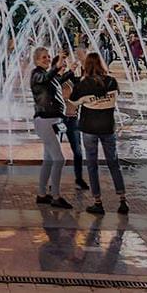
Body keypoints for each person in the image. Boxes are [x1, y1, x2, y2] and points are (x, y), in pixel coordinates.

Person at [72, 51, 129, 215]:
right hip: (107, 128)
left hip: (89, 128)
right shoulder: (112, 82)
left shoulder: (84, 84)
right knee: (114, 163)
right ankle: (122, 200)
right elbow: (115, 96)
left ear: (87, 66)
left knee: (92, 165)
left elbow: (73, 102)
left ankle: (98, 202)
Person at [30, 46, 71, 209]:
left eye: (48, 56)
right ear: (36, 60)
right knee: (59, 159)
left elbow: (55, 80)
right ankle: (55, 196)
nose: (47, 59)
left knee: (48, 159)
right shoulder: (37, 75)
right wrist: (56, 66)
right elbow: (46, 77)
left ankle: (42, 194)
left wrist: (70, 71)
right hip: (45, 120)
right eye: (43, 57)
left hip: (54, 120)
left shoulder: (47, 76)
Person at [62, 48, 89, 191]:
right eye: (61, 62)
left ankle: (79, 179)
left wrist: (84, 62)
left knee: (78, 151)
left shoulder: (70, 79)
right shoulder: (52, 80)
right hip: (58, 119)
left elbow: (83, 82)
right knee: (55, 154)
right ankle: (52, 181)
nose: (63, 64)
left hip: (72, 119)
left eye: (64, 62)